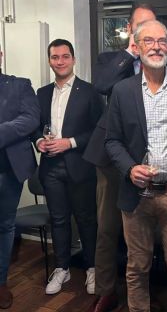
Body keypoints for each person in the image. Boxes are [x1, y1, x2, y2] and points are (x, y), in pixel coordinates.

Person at [105, 19, 167, 312]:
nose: (156, 47)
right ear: (137, 47)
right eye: (149, 41)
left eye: (161, 41)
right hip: (136, 193)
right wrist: (129, 168)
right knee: (137, 266)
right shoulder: (122, 91)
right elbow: (112, 141)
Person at [84, 3, 156, 312]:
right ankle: (106, 290)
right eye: (140, 26)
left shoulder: (165, 59)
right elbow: (101, 85)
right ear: (129, 29)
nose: (146, 32)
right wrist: (130, 53)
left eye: (151, 25)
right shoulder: (110, 59)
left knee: (147, 229)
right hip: (111, 158)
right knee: (108, 227)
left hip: (151, 159)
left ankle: (146, 290)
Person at [33, 39, 104, 295]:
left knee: (86, 220)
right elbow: (34, 126)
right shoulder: (41, 93)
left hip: (80, 166)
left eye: (65, 56)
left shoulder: (90, 91)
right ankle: (61, 268)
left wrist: (70, 142)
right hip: (51, 168)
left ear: (73, 59)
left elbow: (99, 130)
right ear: (49, 61)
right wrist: (39, 141)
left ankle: (92, 268)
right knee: (59, 220)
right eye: (55, 57)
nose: (60, 61)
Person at [0, 47, 40, 309]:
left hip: (8, 171)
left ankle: (0, 282)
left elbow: (30, 119)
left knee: (4, 226)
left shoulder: (20, 85)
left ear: (0, 55)